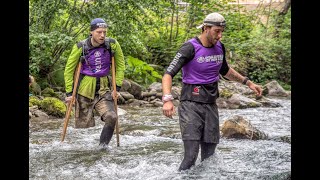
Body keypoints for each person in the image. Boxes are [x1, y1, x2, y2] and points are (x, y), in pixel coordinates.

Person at [161, 12, 262, 171]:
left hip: (211, 105)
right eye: (217, 31)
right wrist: (167, 99)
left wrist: (247, 82)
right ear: (206, 28)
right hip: (190, 105)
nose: (220, 35)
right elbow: (168, 74)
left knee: (209, 159)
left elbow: (226, 70)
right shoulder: (190, 48)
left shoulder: (220, 47)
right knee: (191, 156)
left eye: (222, 31)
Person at [64, 18, 125, 147]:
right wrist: (69, 93)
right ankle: (80, 154)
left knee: (112, 117)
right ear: (91, 32)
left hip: (104, 89)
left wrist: (117, 88)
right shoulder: (80, 47)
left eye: (104, 32)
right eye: (99, 32)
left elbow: (120, 66)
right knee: (82, 127)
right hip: (84, 90)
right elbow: (69, 70)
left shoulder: (112, 44)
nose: (102, 35)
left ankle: (102, 148)